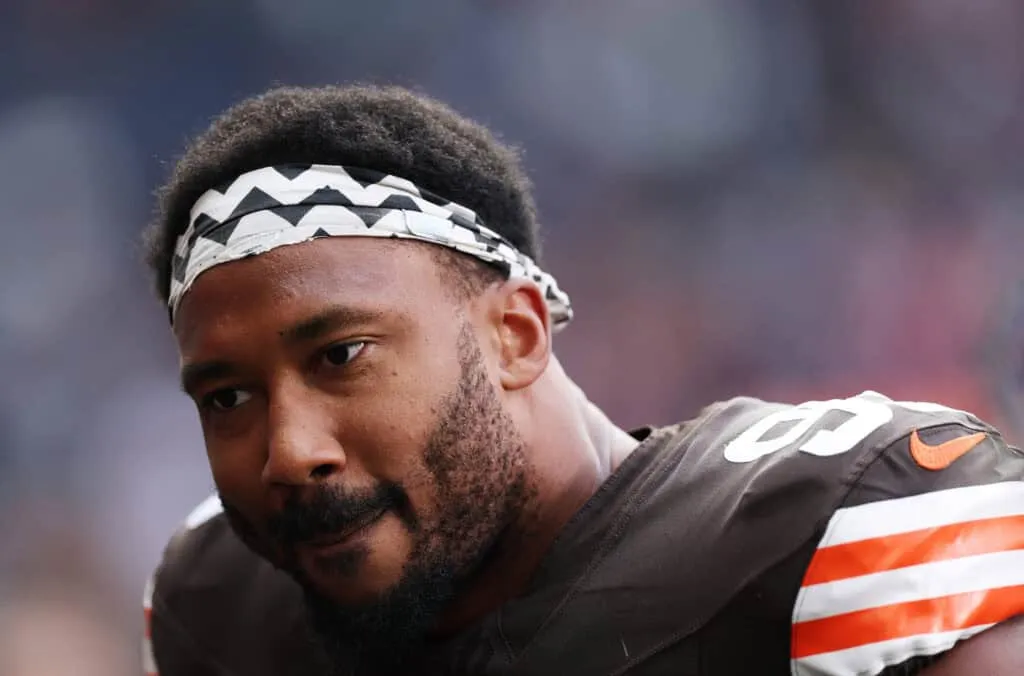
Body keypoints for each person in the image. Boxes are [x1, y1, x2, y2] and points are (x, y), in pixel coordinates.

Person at [141, 85, 1024, 676]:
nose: (289, 453)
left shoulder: (841, 528)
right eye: (227, 398)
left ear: (515, 335)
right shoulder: (218, 601)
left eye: (342, 356)